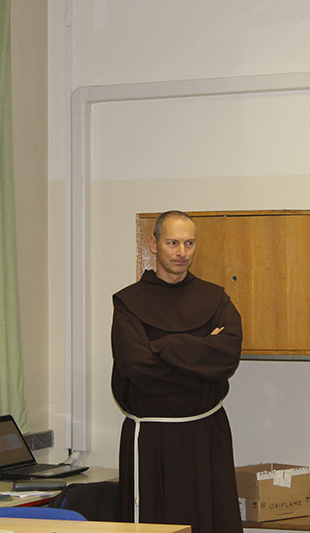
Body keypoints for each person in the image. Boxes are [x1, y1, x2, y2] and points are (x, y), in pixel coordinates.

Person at [111, 210, 244, 533]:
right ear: (153, 244)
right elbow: (138, 367)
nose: (182, 252)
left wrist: (163, 347)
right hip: (152, 439)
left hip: (206, 434)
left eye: (189, 243)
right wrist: (201, 350)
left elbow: (226, 357)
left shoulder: (215, 299)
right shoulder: (129, 303)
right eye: (172, 243)